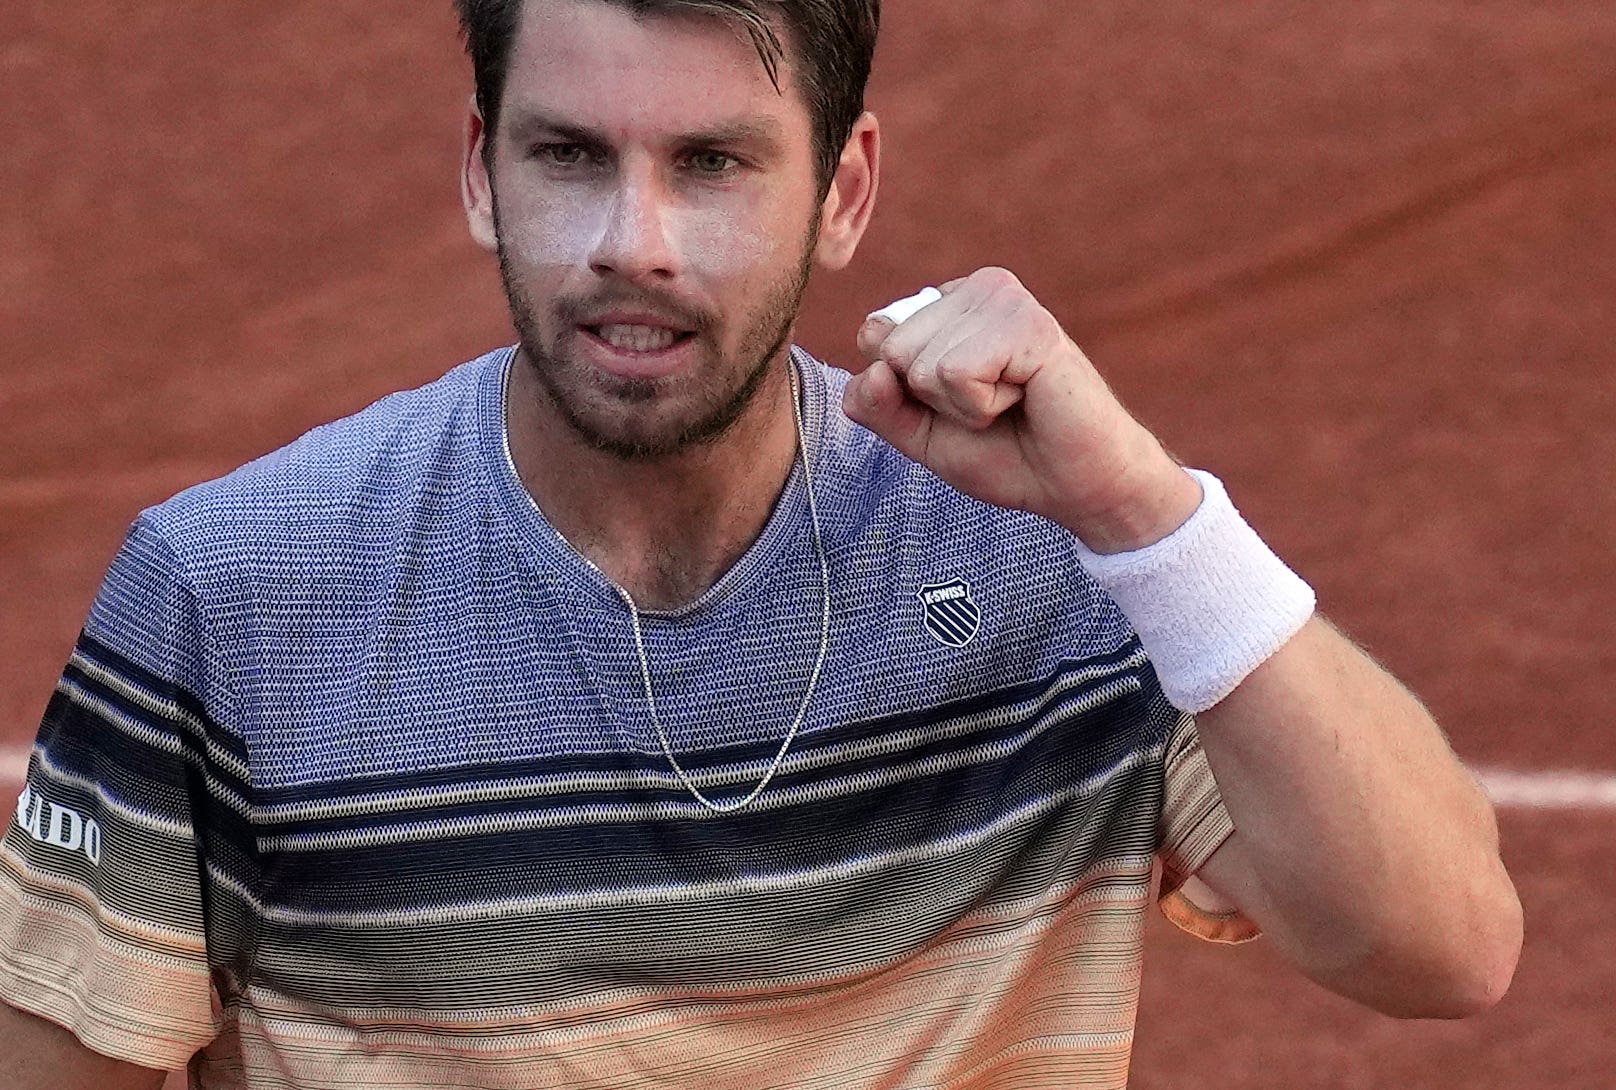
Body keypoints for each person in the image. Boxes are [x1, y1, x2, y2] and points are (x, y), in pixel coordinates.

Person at [0, 1, 1522, 1087]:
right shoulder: (236, 590)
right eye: (570, 157)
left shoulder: (1056, 558)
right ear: (481, 170)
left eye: (713, 164)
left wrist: (1141, 511)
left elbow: (1445, 947)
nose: (633, 243)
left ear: (843, 190)